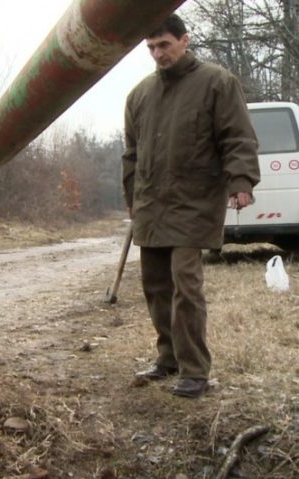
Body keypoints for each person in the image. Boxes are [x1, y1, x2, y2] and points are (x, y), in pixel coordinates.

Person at [122, 14, 260, 398]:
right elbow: (131, 154)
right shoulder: (138, 95)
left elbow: (238, 137)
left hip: (194, 200)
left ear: (185, 40)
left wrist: (242, 181)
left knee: (186, 285)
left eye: (164, 45)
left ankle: (195, 370)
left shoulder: (217, 82)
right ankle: (167, 359)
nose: (157, 54)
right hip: (151, 202)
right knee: (155, 286)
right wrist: (132, 198)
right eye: (150, 48)